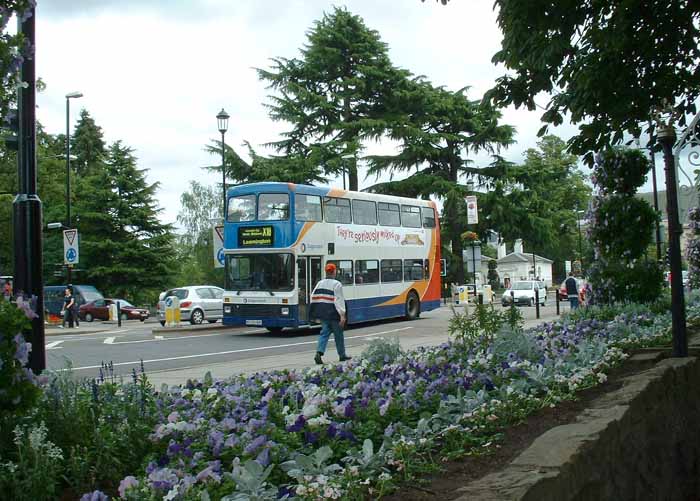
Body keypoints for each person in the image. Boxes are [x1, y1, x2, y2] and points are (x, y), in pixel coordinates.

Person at [309, 263, 351, 365]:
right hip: (334, 314)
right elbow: (339, 300)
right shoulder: (337, 284)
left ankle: (319, 353)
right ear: (334, 271)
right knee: (338, 335)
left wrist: (316, 313)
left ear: (326, 272)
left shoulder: (320, 283)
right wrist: (342, 315)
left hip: (324, 315)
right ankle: (342, 355)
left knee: (324, 334)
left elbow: (313, 297)